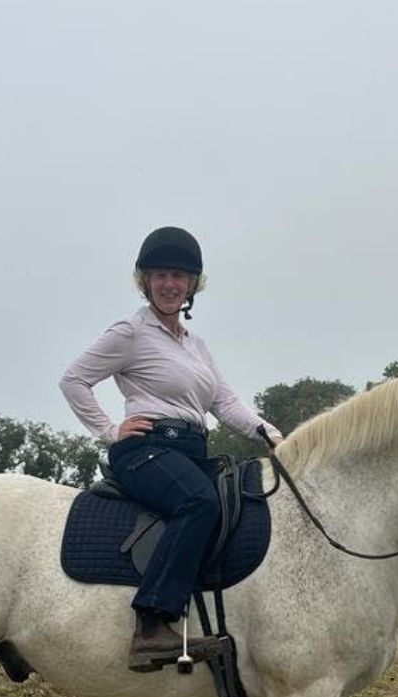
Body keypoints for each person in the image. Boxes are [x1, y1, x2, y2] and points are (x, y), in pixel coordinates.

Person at [60, 226, 283, 673]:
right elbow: (73, 380)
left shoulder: (195, 344)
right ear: (145, 280)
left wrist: (269, 434)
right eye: (160, 274)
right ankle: (151, 625)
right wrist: (109, 429)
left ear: (192, 285)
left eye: (180, 276)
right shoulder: (129, 332)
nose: (170, 284)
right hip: (146, 449)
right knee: (198, 502)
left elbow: (223, 402)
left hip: (191, 450)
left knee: (233, 505)